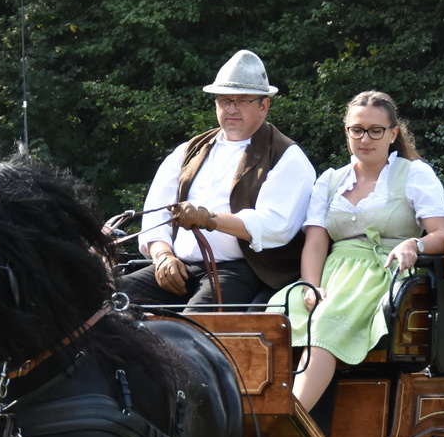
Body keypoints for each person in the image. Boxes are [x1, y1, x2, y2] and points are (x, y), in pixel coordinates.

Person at [272, 91, 444, 410]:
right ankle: (254, 415)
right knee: (272, 316)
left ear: (393, 134)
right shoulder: (330, 180)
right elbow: (315, 242)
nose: (365, 139)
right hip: (332, 275)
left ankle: (291, 420)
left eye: (375, 130)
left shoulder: (414, 174)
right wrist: (310, 285)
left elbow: (443, 234)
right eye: (357, 130)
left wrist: (416, 243)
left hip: (383, 274)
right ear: (347, 132)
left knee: (325, 322)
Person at [126, 50, 317, 309]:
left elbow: (275, 226)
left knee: (193, 325)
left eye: (242, 101)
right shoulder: (189, 150)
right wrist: (162, 256)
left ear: (264, 106)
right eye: (224, 100)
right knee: (103, 299)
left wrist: (209, 219)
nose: (231, 109)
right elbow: (156, 214)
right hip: (178, 266)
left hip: (239, 270)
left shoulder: (287, 156)